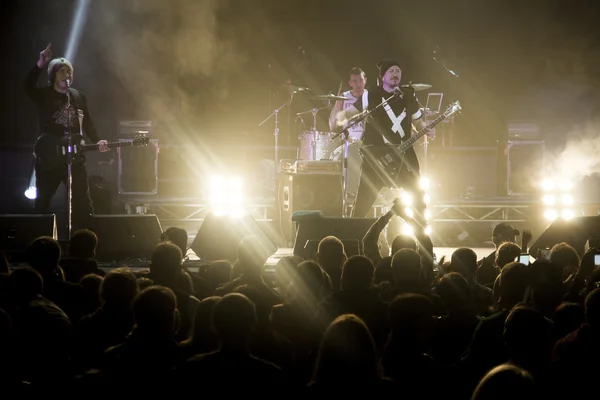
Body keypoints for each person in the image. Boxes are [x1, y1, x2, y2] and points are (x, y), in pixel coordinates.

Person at [335, 60, 434, 231]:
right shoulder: (371, 94)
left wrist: (426, 129)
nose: (396, 74)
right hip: (376, 154)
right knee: (364, 200)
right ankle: (351, 236)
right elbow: (350, 113)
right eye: (391, 71)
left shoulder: (409, 95)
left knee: (418, 195)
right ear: (383, 76)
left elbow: (418, 121)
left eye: (398, 70)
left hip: (404, 153)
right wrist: (339, 117)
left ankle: (422, 237)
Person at [24, 43, 109, 230]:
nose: (66, 75)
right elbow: (28, 86)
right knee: (43, 200)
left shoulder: (78, 96)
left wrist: (98, 140)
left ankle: (86, 240)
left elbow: (88, 123)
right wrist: (40, 64)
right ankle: (40, 240)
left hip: (75, 156)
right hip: (49, 157)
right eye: (62, 71)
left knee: (83, 200)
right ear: (53, 75)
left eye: (69, 71)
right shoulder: (44, 94)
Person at [329, 67, 368, 142]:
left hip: (366, 142)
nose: (358, 84)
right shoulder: (343, 97)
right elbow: (333, 120)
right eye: (354, 81)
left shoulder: (370, 96)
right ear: (350, 83)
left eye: (361, 80)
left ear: (365, 80)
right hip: (347, 141)